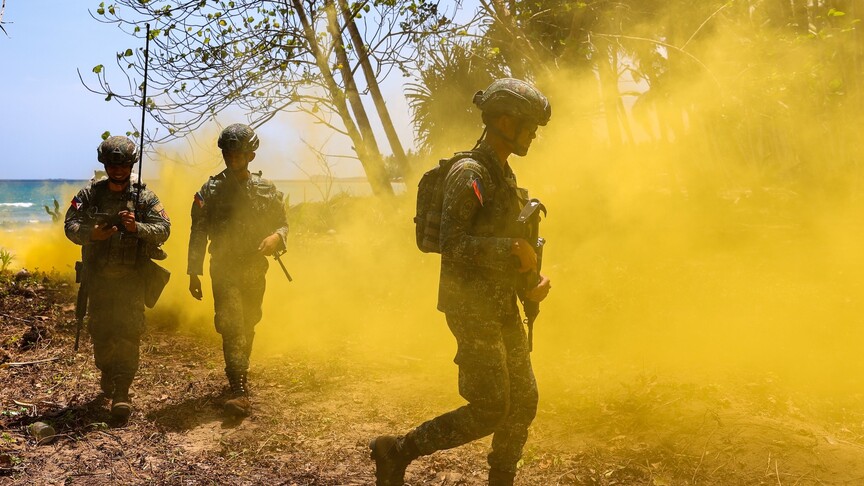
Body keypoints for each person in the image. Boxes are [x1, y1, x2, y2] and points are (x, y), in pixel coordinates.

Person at [369, 79, 553, 486]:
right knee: (490, 408)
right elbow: (453, 243)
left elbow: (509, 245)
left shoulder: (503, 177)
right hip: (472, 309)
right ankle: (396, 451)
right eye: (529, 125)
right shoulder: (469, 173)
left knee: (522, 401)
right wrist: (512, 249)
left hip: (502, 304)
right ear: (504, 121)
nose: (533, 134)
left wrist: (531, 280)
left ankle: (501, 480)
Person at [64, 135, 171, 421]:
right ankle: (109, 374)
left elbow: (164, 228)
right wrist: (92, 234)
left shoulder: (144, 197)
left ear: (131, 163)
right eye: (113, 164)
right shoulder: (90, 195)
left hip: (131, 280)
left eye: (123, 164)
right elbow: (70, 224)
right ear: (105, 163)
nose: (118, 169)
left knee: (128, 334)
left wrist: (137, 228)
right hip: (98, 280)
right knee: (101, 334)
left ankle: (122, 393)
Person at [187, 123, 289, 417]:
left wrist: (276, 238)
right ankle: (238, 388)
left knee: (250, 321)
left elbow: (282, 223)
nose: (233, 158)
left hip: (255, 267)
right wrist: (194, 272)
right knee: (231, 323)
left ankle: (239, 372)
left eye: (239, 153)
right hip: (223, 267)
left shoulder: (267, 190)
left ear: (250, 156)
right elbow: (198, 232)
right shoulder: (210, 190)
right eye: (228, 153)